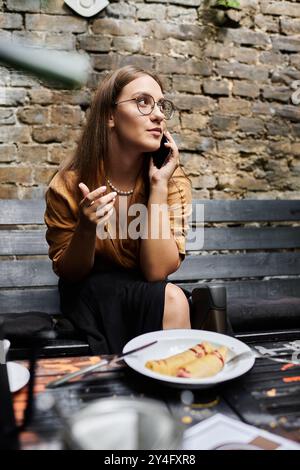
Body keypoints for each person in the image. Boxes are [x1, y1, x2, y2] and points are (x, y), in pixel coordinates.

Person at [44, 65, 192, 354]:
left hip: (147, 289)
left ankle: (171, 390)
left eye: (161, 105)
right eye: (143, 101)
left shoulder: (172, 183)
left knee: (172, 298)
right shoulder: (69, 183)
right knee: (172, 300)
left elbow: (156, 272)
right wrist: (86, 228)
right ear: (110, 115)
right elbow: (70, 273)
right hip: (87, 294)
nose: (159, 115)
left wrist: (158, 185)